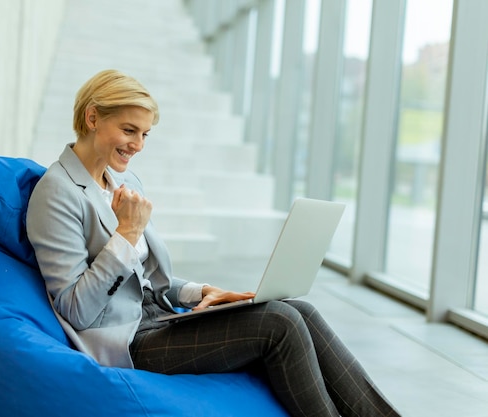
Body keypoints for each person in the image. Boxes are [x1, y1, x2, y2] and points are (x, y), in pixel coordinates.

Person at [26, 69, 401, 417]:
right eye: (129, 130)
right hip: (127, 342)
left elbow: (143, 282)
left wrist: (202, 291)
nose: (138, 144)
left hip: (159, 319)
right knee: (280, 324)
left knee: (302, 310)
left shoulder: (125, 184)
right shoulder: (57, 193)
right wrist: (126, 234)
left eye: (144, 134)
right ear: (93, 118)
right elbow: (75, 308)